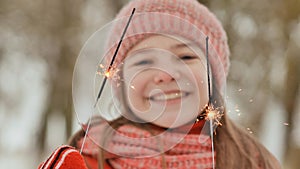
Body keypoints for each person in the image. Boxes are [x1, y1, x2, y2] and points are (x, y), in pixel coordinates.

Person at [38, 0, 281, 168]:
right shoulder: (89, 159)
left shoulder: (252, 162)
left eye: (186, 57)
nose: (165, 75)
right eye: (144, 61)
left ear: (213, 77)